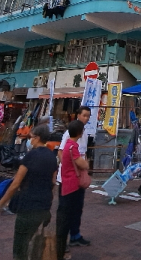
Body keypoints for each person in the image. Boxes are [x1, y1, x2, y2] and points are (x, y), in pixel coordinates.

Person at [0, 125, 58, 260]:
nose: (29, 140)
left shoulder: (30, 156)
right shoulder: (52, 157)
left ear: (37, 138)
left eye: (30, 137)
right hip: (44, 205)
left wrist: (0, 204)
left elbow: (16, 183)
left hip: (28, 205)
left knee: (21, 245)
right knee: (35, 243)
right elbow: (53, 181)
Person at [57, 105, 91, 247]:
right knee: (65, 210)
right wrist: (74, 166)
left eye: (88, 116)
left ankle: (75, 235)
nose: (86, 118)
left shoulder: (85, 134)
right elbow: (60, 152)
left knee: (78, 207)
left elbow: (83, 154)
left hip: (79, 178)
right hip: (67, 178)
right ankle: (60, 241)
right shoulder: (68, 135)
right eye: (84, 115)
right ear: (78, 115)